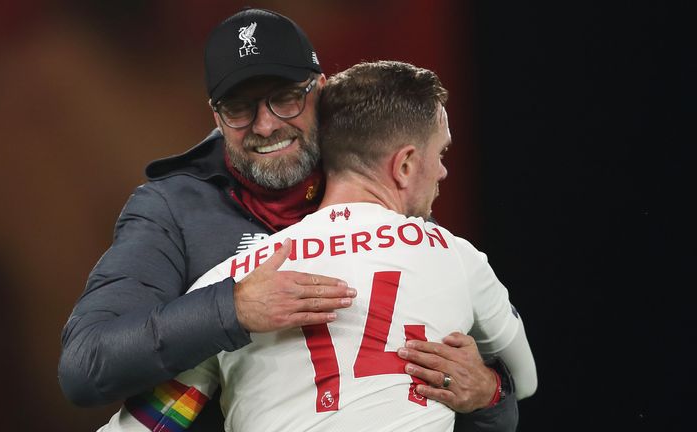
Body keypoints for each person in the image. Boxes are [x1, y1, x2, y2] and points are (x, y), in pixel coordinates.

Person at [58, 7, 521, 431]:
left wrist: (488, 393)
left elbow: (488, 398)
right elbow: (85, 365)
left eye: (285, 98)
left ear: (319, 90)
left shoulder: (379, 187)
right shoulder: (171, 210)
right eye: (240, 107)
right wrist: (233, 309)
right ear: (216, 116)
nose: (265, 125)